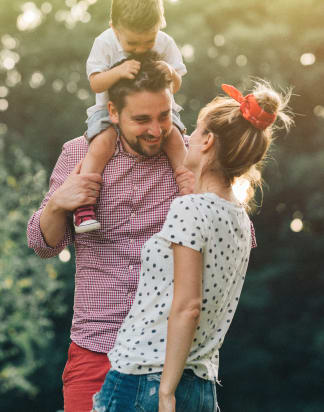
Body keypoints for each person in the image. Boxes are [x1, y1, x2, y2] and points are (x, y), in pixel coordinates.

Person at [92, 82, 292, 412]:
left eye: (197, 131)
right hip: (202, 388)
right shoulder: (241, 220)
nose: (188, 138)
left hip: (146, 381)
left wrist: (166, 392)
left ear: (209, 141)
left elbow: (189, 306)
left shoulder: (191, 209)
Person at [27, 55, 195, 412]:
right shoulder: (78, 153)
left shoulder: (190, 157)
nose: (155, 129)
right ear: (113, 111)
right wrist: (59, 204)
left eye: (164, 116)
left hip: (168, 354)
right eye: (141, 119)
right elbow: (42, 244)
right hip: (96, 347)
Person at [73, 0, 188, 233]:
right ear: (114, 28)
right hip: (107, 111)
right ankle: (84, 207)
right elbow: (96, 83)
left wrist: (169, 72)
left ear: (160, 25)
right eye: (132, 44)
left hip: (159, 108)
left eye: (147, 43)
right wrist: (119, 71)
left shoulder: (166, 43)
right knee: (101, 145)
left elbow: (176, 85)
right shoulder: (104, 43)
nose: (139, 50)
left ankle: (190, 192)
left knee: (176, 141)